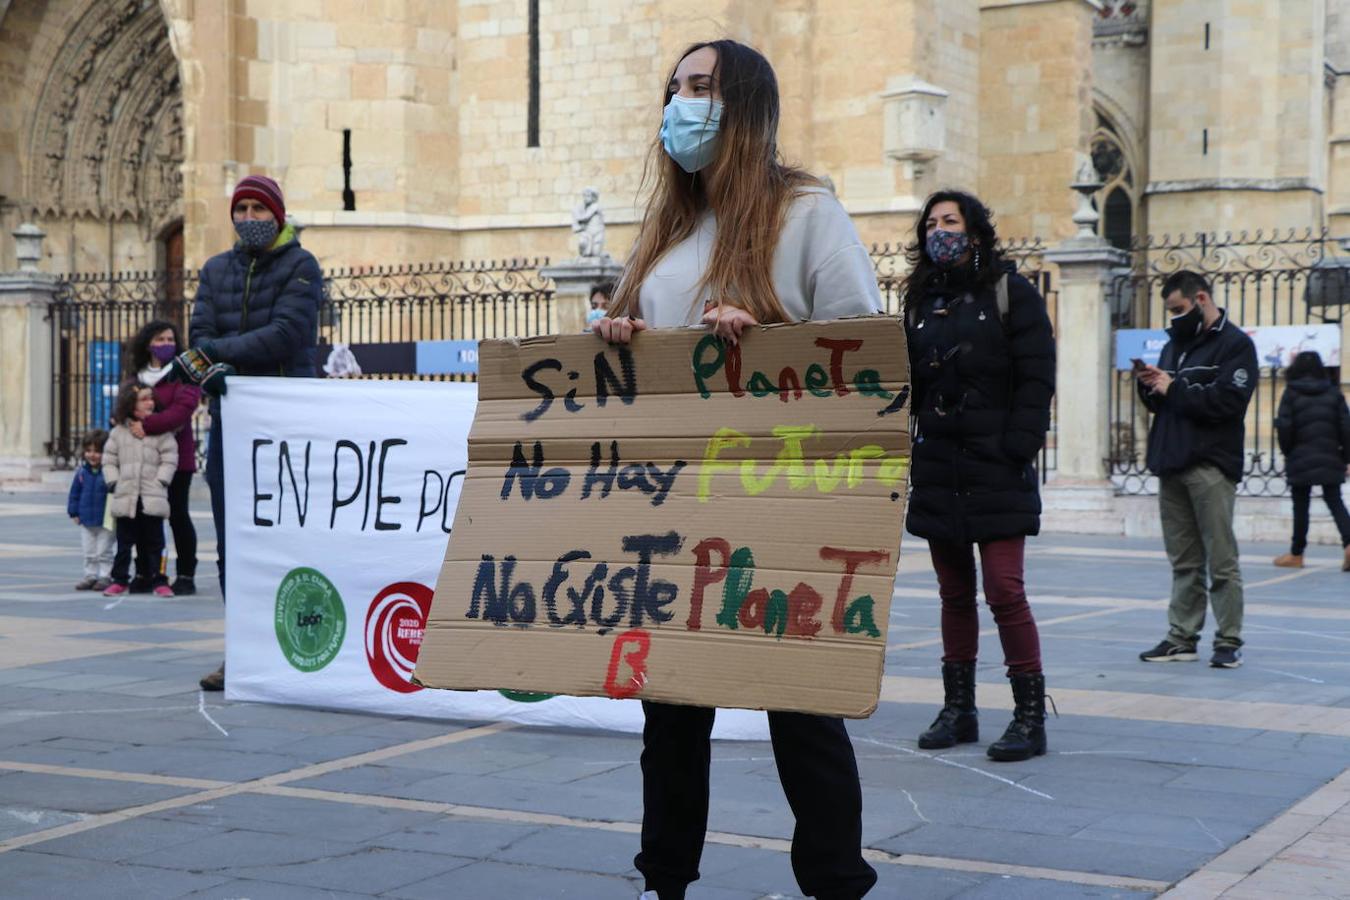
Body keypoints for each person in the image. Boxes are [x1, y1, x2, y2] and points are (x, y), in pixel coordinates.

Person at [591, 40, 880, 900]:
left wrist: (771, 330)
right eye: (677, 88)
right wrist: (618, 337)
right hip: (674, 509)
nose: (683, 103)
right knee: (670, 714)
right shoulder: (668, 230)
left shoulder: (806, 213)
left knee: (800, 710)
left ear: (745, 104)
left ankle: (834, 879)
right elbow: (642, 358)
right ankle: (665, 879)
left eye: (702, 87)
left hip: (778, 501)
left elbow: (863, 349)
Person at [901, 190, 1056, 763]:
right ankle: (959, 709)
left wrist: (1019, 444)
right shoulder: (917, 302)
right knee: (953, 593)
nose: (939, 231)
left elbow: (1038, 376)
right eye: (931, 224)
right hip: (939, 462)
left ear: (976, 231)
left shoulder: (1011, 294)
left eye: (950, 221)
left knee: (1004, 590)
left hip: (998, 463)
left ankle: (1029, 715)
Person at [186, 174, 322, 690]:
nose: (248, 218)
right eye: (240, 209)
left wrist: (220, 357)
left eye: (258, 210)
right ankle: (241, 650)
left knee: (291, 536)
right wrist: (209, 365)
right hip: (231, 424)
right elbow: (198, 337)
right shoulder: (215, 269)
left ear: (278, 215)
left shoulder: (301, 265)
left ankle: (303, 642)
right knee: (233, 539)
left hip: (287, 421)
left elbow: (288, 336)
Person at [1136, 270, 1258, 669]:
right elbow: (1165, 402)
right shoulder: (1175, 345)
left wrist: (1175, 388)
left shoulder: (1235, 345)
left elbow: (1228, 403)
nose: (1174, 318)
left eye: (1179, 309)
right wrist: (1150, 385)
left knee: (1221, 561)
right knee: (1184, 561)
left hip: (1210, 465)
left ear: (1201, 298)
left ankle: (1228, 640)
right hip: (1171, 462)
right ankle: (1181, 637)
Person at [126, 320, 202, 595]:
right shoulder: (136, 377)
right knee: (145, 517)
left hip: (176, 459)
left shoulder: (185, 374)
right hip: (142, 459)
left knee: (178, 515)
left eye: (170, 338)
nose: (166, 344)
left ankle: (185, 574)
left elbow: (181, 411)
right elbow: (124, 408)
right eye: (159, 339)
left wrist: (146, 425)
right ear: (147, 344)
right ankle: (147, 571)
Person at [1273, 350, 1350, 571]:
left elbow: (1284, 427)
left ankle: (1296, 554)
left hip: (1300, 456)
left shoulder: (1291, 393)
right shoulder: (1334, 393)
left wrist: (1288, 453)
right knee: (1335, 501)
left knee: (1301, 505)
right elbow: (1346, 427)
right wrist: (1346, 457)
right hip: (1330, 455)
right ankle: (1349, 543)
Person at [102, 384, 178, 598]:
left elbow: (170, 458)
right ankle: (119, 579)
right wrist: (114, 482)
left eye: (151, 399)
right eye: (144, 399)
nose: (150, 403)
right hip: (126, 496)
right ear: (131, 405)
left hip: (151, 495)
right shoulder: (118, 433)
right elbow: (108, 460)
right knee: (124, 543)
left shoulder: (160, 432)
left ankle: (159, 579)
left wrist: (161, 481)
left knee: (156, 543)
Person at [68, 429, 113, 591]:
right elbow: (74, 494)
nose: (92, 455)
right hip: (86, 519)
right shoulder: (81, 473)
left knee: (104, 550)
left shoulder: (109, 472)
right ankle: (90, 575)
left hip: (106, 520)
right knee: (89, 550)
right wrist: (73, 512)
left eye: (97, 451)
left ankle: (105, 576)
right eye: (88, 451)